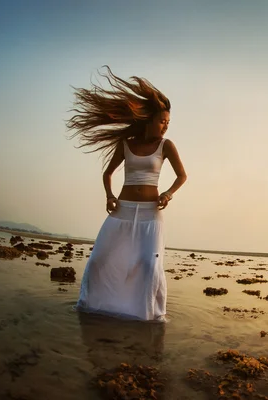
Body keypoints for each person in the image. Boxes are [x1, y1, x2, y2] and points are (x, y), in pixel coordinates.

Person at [66, 66, 187, 321]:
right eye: (161, 121)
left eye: (168, 122)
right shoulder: (126, 144)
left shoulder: (166, 146)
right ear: (149, 120)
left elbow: (181, 176)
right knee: (99, 260)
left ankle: (148, 316)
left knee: (149, 265)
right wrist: (109, 196)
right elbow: (108, 173)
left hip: (150, 214)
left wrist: (167, 193)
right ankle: (91, 306)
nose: (165, 126)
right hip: (122, 209)